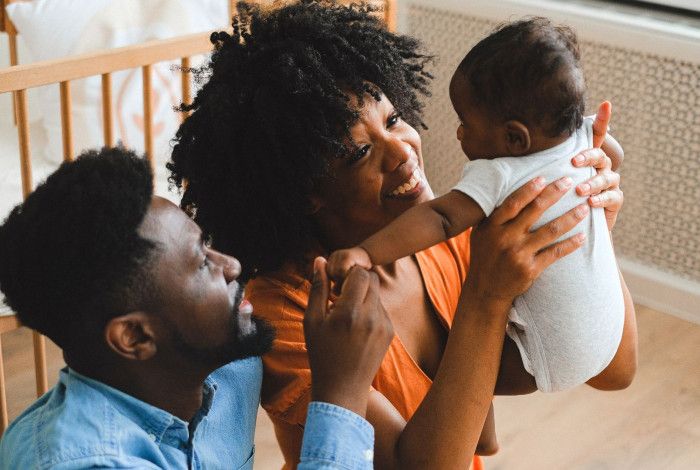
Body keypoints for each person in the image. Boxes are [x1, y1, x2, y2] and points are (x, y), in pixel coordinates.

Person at [167, 2, 636, 468]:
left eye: (393, 120)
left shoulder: (448, 235)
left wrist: (591, 228)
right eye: (360, 152)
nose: (403, 152)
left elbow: (616, 370)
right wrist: (487, 298)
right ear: (306, 191)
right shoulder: (287, 312)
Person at [0, 147, 396, 469]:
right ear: (134, 336)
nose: (232, 266)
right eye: (202, 262)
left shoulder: (230, 372)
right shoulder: (84, 462)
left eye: (208, 245)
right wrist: (341, 393)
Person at [327, 18, 630, 393]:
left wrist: (364, 253)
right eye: (361, 151)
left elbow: (440, 218)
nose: (458, 132)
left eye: (465, 122)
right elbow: (611, 153)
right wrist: (599, 164)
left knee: (462, 370)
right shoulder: (581, 136)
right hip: (607, 327)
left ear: (514, 138)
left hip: (546, 356)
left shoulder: (500, 173)